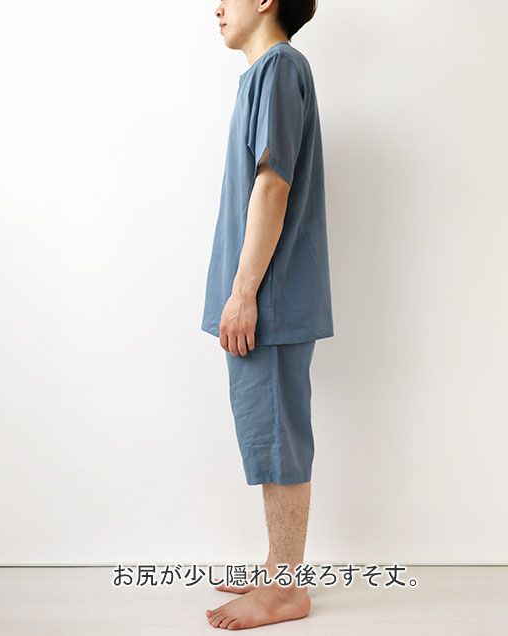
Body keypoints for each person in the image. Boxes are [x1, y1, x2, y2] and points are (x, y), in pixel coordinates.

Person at [201, 0, 334, 629]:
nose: (216, 8)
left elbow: (273, 183)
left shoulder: (279, 68)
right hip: (264, 295)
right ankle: (278, 569)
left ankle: (286, 589)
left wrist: (244, 291)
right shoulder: (265, 74)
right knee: (268, 430)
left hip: (269, 298)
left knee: (278, 436)